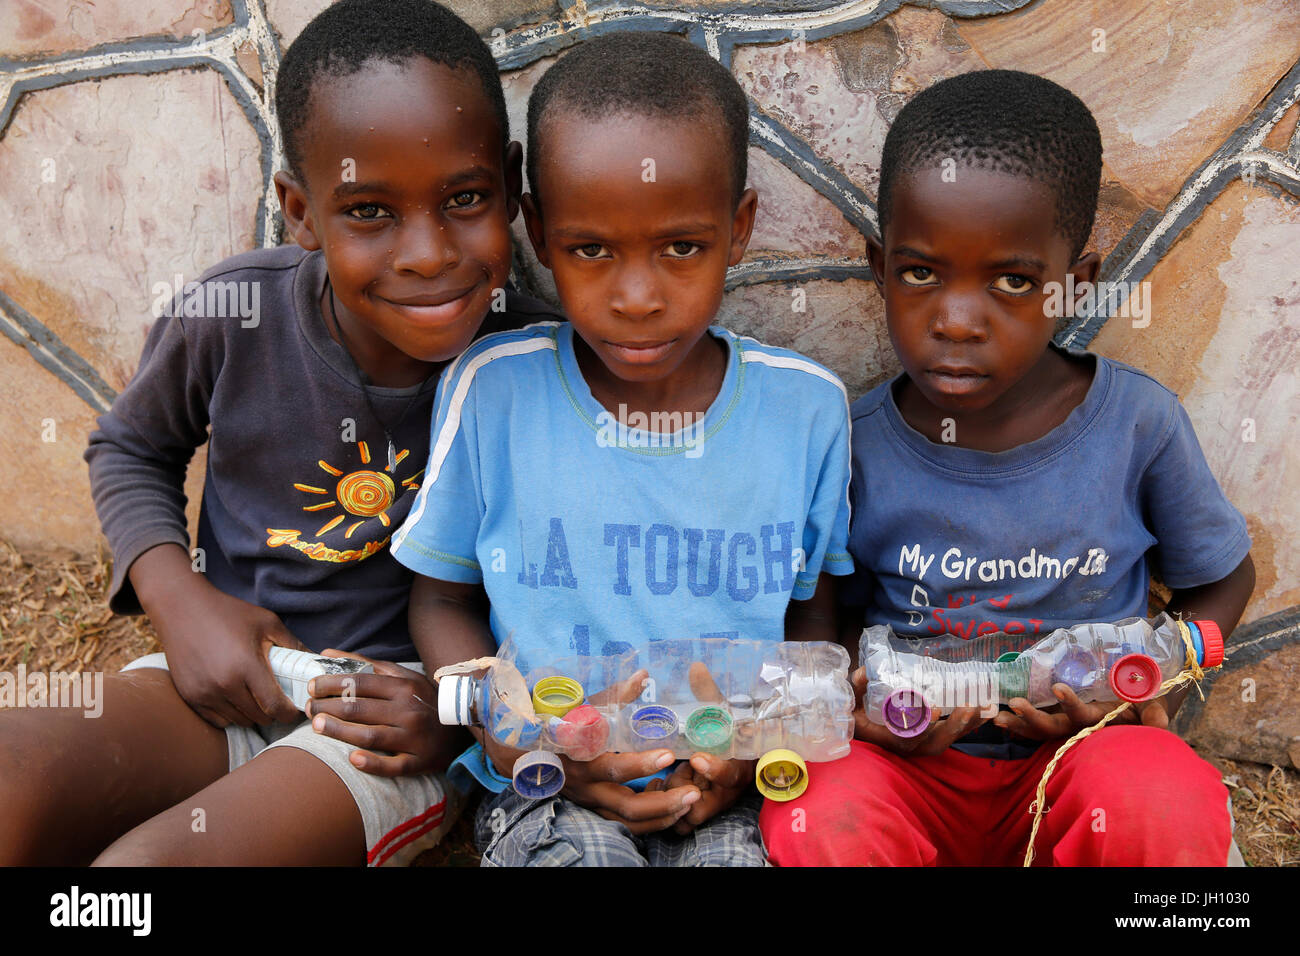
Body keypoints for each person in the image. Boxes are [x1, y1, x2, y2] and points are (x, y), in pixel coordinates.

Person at [0, 0, 562, 866]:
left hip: (391, 725)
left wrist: (458, 714)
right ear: (300, 211)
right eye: (369, 211)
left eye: (465, 198)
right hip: (223, 680)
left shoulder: (534, 367)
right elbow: (130, 447)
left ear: (512, 189)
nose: (426, 253)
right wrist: (179, 602)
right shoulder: (235, 315)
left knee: (142, 875)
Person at [759, 69, 1255, 866]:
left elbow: (1223, 581)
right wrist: (859, 705)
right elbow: (827, 616)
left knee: (1157, 795)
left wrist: (1156, 672)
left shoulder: (1137, 425)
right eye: (921, 273)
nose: (957, 320)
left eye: (1013, 282)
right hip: (911, 767)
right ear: (879, 266)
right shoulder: (850, 443)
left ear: (1074, 286)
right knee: (822, 810)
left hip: (1082, 761)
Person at [391, 31, 854, 866]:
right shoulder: (495, 391)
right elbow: (439, 600)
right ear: (536, 231)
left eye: (682, 248)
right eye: (591, 250)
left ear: (739, 228)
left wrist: (755, 753)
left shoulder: (805, 409)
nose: (637, 298)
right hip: (546, 787)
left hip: (734, 793)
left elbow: (811, 613)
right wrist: (515, 733)